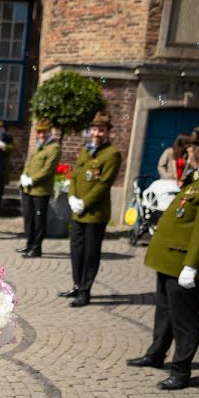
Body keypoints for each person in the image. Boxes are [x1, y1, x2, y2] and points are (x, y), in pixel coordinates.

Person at [127, 124, 199, 390]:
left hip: (184, 263)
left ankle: (181, 369)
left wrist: (192, 265)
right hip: (169, 259)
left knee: (184, 320)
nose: (191, 153)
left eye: (195, 149)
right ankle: (156, 354)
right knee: (164, 312)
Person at [61, 112, 121, 307]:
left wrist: (84, 202)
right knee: (76, 251)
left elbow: (103, 184)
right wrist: (71, 197)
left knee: (90, 254)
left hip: (95, 214)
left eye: (101, 130)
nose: (97, 133)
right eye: (94, 129)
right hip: (77, 211)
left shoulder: (112, 154)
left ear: (107, 132)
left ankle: (85, 291)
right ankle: (77, 285)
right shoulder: (85, 151)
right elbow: (75, 176)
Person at [18, 118, 61, 258]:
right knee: (29, 218)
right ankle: (29, 244)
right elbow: (29, 164)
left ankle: (37, 248)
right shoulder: (38, 146)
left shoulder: (53, 148)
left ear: (49, 132)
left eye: (44, 132)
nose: (41, 135)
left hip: (41, 190)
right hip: (28, 189)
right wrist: (24, 176)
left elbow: (47, 169)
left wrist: (32, 179)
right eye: (39, 132)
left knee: (38, 220)